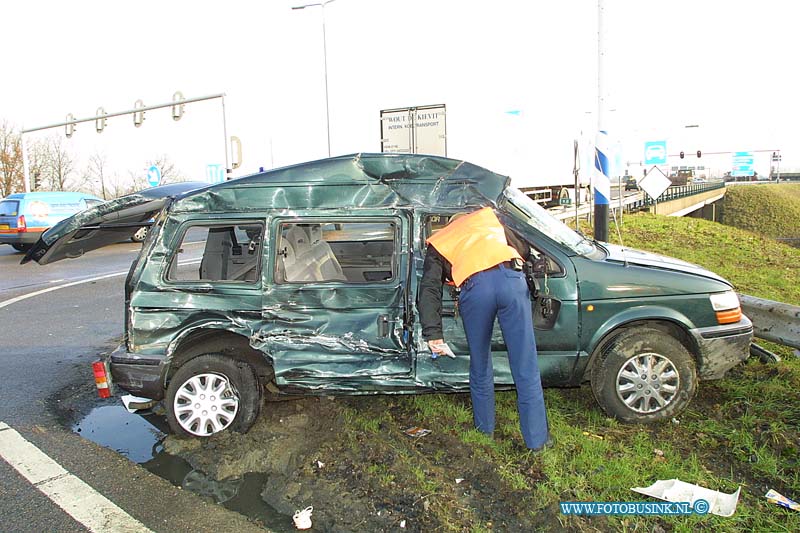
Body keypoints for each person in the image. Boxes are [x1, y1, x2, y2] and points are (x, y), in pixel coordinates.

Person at [417, 206, 551, 451]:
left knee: (480, 363)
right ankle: (537, 441)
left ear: (450, 224)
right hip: (512, 280)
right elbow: (522, 250)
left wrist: (433, 333)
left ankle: (484, 431)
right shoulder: (489, 219)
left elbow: (429, 289)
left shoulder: (441, 240)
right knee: (525, 365)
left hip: (476, 289)